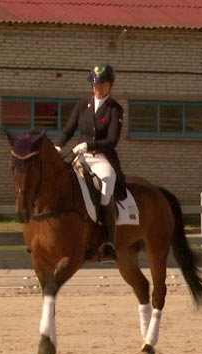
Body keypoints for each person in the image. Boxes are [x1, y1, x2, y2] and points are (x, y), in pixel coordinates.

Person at [54, 63, 125, 263]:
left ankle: (109, 241)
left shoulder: (114, 109)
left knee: (107, 184)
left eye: (102, 84)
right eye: (95, 83)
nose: (98, 87)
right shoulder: (82, 104)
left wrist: (89, 145)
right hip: (80, 156)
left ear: (110, 85)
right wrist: (58, 146)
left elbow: (112, 140)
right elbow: (68, 130)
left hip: (101, 157)